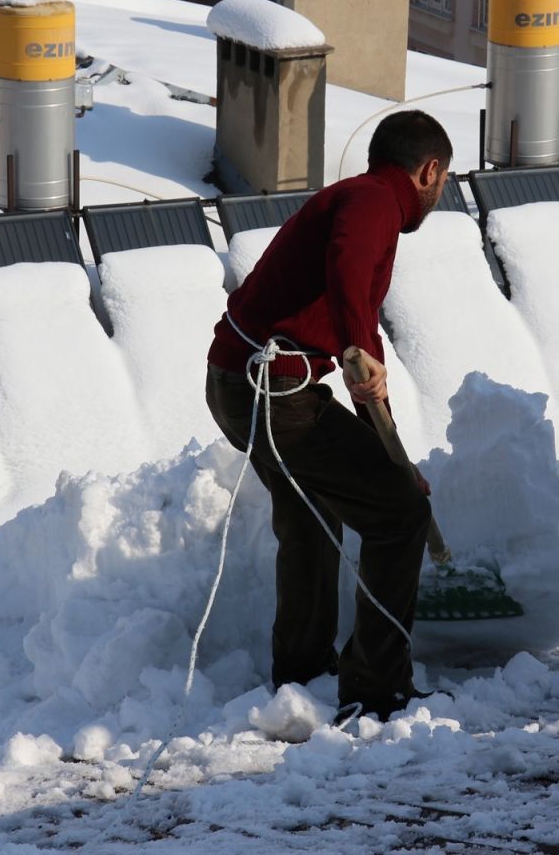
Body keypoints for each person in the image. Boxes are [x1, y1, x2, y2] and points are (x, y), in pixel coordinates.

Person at [204, 109, 450, 720]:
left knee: (314, 518)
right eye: (442, 184)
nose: (438, 195)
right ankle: (376, 686)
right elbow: (346, 276)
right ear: (429, 171)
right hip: (271, 391)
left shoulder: (356, 197)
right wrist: (351, 349)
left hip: (249, 382)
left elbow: (361, 327)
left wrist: (388, 444)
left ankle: (303, 673)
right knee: (399, 515)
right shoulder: (373, 205)